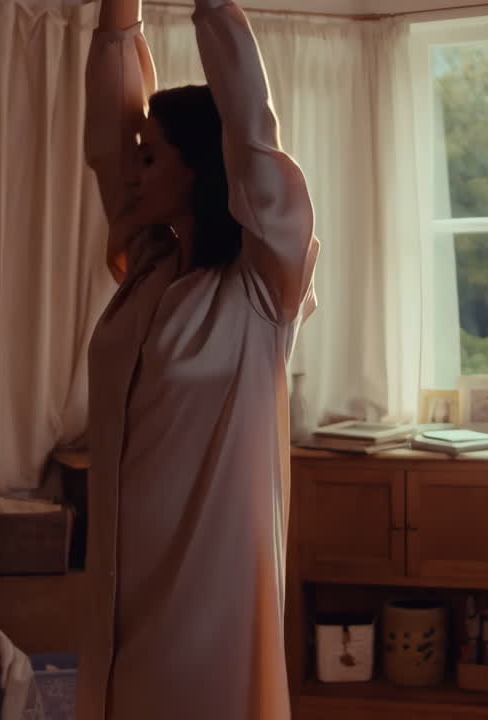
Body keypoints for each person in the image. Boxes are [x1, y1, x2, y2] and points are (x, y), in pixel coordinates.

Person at [79, 0, 319, 716]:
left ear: (201, 168)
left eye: (151, 157)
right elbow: (106, 142)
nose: (133, 170)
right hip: (124, 570)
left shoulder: (260, 285)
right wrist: (120, 19)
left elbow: (252, 135)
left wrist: (212, 9)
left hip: (207, 570)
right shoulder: (148, 263)